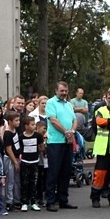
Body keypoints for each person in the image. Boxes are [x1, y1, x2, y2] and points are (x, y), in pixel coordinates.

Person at [44, 81, 78, 211]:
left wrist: (72, 132)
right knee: (54, 172)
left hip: (68, 142)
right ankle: (50, 201)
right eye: (61, 91)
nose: (64, 93)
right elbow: (53, 120)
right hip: (56, 142)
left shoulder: (69, 104)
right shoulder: (51, 103)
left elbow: (74, 120)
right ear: (56, 90)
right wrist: (66, 132)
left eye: (65, 90)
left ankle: (63, 199)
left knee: (65, 172)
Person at [18, 115, 43, 211]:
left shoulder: (38, 136)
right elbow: (19, 148)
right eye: (32, 125)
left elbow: (41, 147)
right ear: (26, 126)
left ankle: (33, 202)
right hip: (25, 161)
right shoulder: (21, 136)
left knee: (34, 182)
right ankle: (24, 202)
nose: (34, 126)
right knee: (24, 182)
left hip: (35, 161)